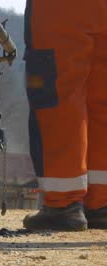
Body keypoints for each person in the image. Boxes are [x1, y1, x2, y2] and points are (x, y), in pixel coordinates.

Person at [22, 0, 107, 231]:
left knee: (58, 100)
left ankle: (63, 205)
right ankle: (101, 204)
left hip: (62, 9)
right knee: (101, 100)